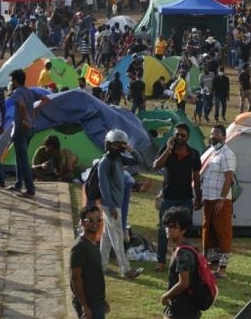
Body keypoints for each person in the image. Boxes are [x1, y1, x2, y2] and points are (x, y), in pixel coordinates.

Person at [152, 124, 202, 273]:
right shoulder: (166, 151)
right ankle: (161, 261)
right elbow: (155, 166)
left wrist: (198, 197)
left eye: (182, 135)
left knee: (183, 230)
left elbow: (196, 177)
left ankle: (178, 258)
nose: (179, 137)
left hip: (186, 197)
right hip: (168, 197)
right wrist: (168, 150)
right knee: (163, 230)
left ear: (188, 137)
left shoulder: (193, 154)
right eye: (177, 134)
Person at [97, 129, 143, 279]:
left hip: (114, 203)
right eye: (115, 144)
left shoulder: (118, 159)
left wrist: (130, 149)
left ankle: (101, 266)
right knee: (117, 236)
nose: (118, 147)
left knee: (107, 237)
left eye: (121, 145)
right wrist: (110, 206)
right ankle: (126, 269)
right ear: (108, 145)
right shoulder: (105, 162)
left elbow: (138, 161)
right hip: (111, 204)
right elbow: (103, 186)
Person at [8, 68, 50, 198]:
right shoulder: (30, 91)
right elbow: (47, 99)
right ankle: (18, 183)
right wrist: (34, 110)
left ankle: (30, 189)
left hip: (22, 128)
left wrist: (25, 118)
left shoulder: (17, 92)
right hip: (31, 127)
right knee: (20, 157)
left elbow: (21, 106)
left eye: (11, 80)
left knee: (23, 159)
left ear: (15, 81)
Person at [201, 124, 235, 278]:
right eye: (211, 134)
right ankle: (212, 264)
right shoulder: (213, 153)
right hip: (209, 199)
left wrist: (222, 199)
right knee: (210, 232)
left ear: (224, 136)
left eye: (216, 134)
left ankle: (222, 268)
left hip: (220, 200)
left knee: (222, 233)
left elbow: (229, 177)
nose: (212, 136)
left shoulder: (227, 154)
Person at [160, 206, 201, 318]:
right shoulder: (184, 248)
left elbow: (184, 283)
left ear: (183, 230)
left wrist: (165, 296)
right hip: (187, 306)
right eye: (167, 225)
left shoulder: (183, 253)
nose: (169, 229)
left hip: (183, 308)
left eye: (174, 227)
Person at [71, 205, 109, 319]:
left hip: (97, 302)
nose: (95, 223)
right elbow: (75, 278)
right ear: (82, 223)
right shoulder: (79, 247)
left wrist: (102, 301)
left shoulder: (94, 243)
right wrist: (84, 306)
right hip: (89, 304)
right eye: (91, 220)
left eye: (98, 219)